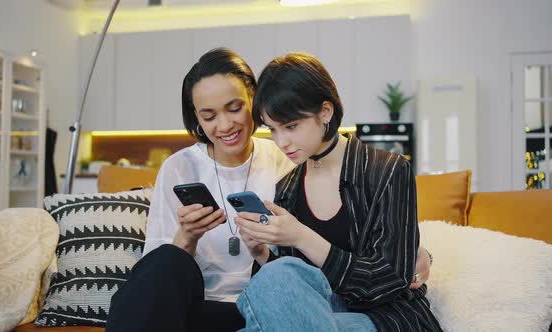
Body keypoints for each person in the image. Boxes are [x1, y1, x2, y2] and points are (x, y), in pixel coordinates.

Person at [106, 48, 432, 332]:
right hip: (230, 304)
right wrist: (200, 240)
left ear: (253, 100)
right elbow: (157, 279)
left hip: (309, 305)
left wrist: (417, 250)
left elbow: (370, 262)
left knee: (279, 280)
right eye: (208, 116)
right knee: (168, 263)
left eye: (234, 109)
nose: (224, 125)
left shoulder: (299, 162)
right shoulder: (188, 168)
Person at [233, 53, 442, 331]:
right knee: (275, 277)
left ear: (325, 112)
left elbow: (389, 281)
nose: (281, 141)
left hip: (385, 316)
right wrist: (261, 254)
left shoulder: (388, 171)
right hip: (318, 314)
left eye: (291, 126)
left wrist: (301, 236)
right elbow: (290, 291)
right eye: (272, 130)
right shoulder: (287, 188)